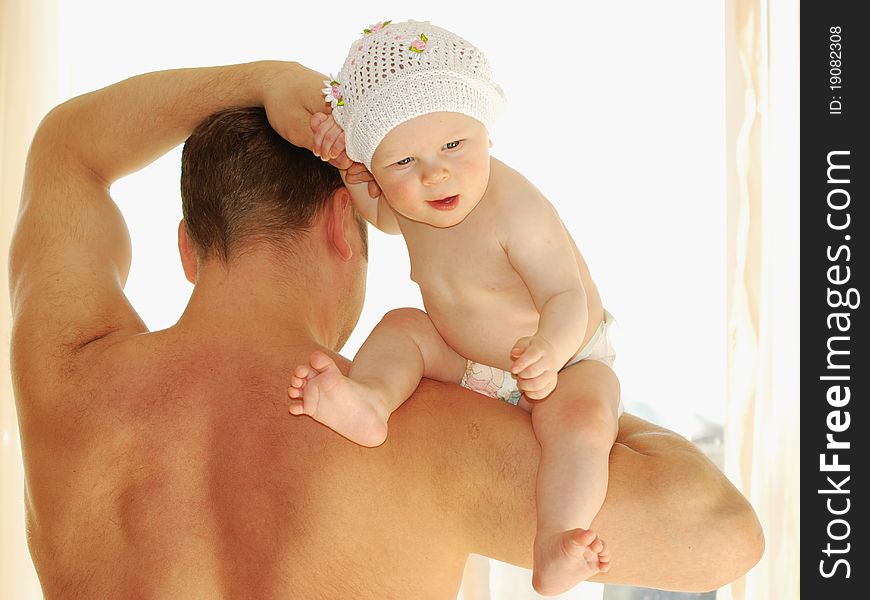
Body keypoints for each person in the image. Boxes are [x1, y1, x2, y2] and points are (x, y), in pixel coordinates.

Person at [9, 60, 763, 599]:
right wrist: (527, 379)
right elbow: (721, 535)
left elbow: (67, 148)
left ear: (186, 248)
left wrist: (266, 80)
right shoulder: (422, 431)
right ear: (347, 224)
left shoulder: (67, 375)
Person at [287, 20, 615, 594]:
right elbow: (386, 216)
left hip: (565, 359)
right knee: (402, 327)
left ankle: (557, 541)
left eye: (454, 146)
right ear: (379, 170)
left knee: (585, 424)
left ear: (485, 131)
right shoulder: (408, 204)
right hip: (463, 356)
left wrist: (550, 348)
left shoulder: (516, 207)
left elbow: (568, 296)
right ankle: (370, 400)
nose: (435, 172)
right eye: (402, 163)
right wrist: (348, 169)